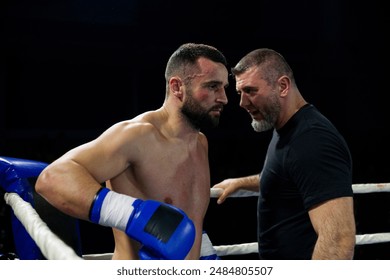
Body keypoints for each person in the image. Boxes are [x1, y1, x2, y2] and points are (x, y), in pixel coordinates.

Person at [35, 43, 229, 260]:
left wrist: (205, 256)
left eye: (224, 87)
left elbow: (185, 220)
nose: (223, 98)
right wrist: (133, 215)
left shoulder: (200, 142)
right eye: (212, 86)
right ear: (176, 87)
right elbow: (52, 178)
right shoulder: (138, 136)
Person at [212, 48, 356, 260]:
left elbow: (338, 240)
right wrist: (242, 182)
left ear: (282, 86)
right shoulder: (288, 129)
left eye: (251, 91)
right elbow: (290, 177)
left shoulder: (312, 140)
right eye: (240, 93)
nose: (242, 103)